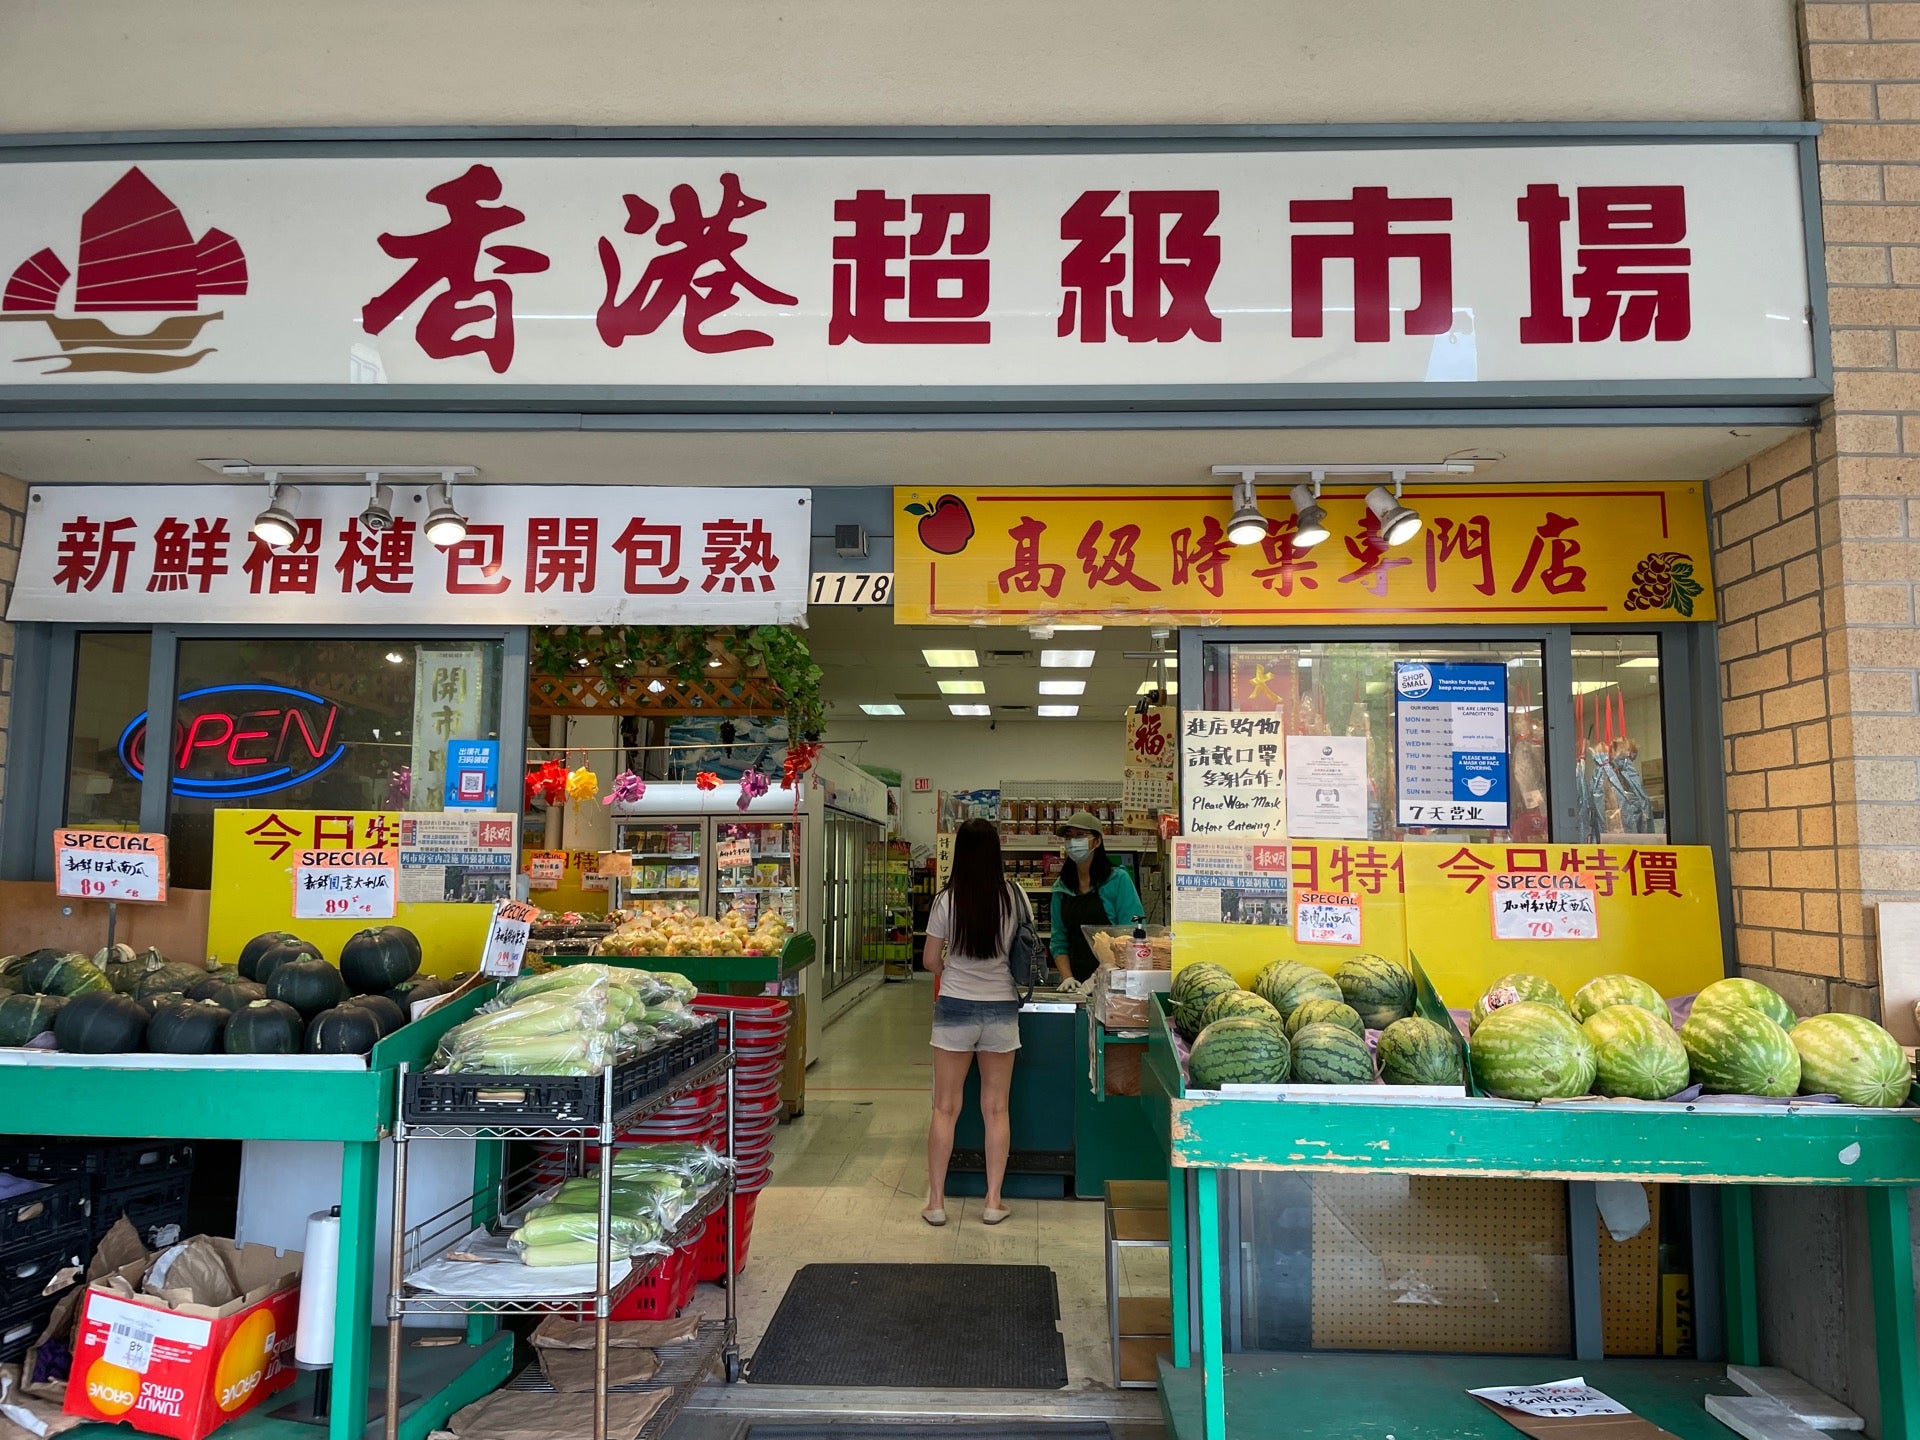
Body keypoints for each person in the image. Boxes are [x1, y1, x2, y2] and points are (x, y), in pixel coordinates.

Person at [921, 817, 1028, 1227]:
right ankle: (993, 1200)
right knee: (996, 1109)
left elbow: (931, 960)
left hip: (955, 1010)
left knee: (945, 1109)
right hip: (1001, 1009)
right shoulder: (1014, 896)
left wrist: (953, 968)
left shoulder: (947, 900)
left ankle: (935, 1202)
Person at [1049, 810, 1145, 984]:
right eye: (1069, 837)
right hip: (1075, 981)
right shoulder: (1061, 887)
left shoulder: (1117, 880)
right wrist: (1067, 978)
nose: (1073, 842)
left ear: (1097, 841)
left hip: (1115, 978)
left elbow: (1131, 931)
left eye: (1080, 835)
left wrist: (1101, 975)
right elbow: (1058, 939)